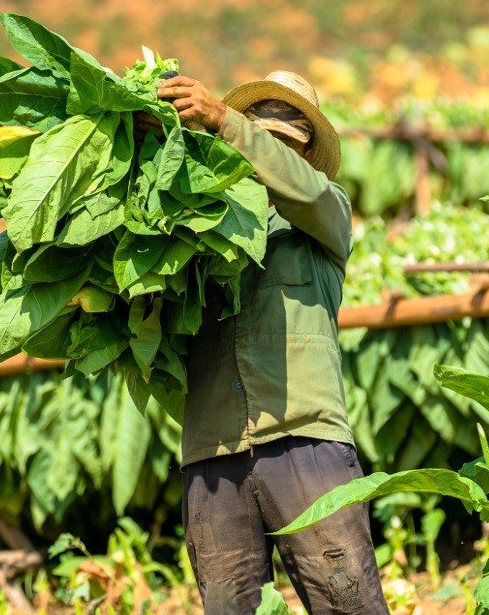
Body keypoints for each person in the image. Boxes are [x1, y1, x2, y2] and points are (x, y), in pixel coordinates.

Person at [157, 71, 388, 614]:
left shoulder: (324, 213)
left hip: (306, 440)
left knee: (347, 601)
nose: (263, 158)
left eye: (280, 146)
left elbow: (301, 191)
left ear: (305, 155)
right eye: (257, 139)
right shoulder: (205, 227)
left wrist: (223, 121)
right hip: (213, 452)